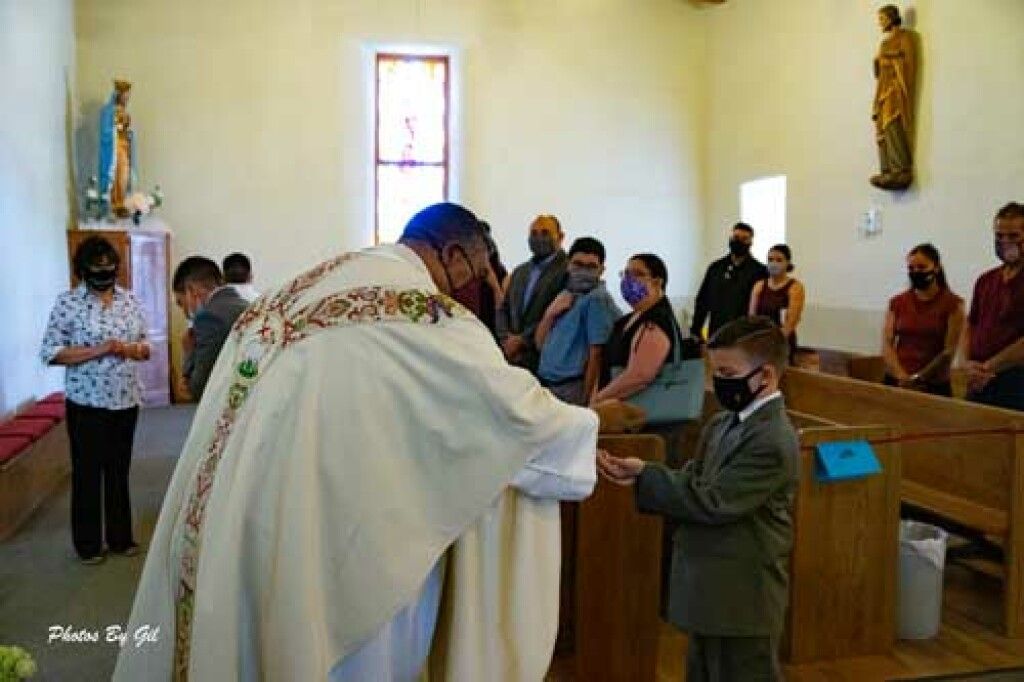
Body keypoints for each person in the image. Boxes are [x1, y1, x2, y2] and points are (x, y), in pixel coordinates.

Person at [114, 203, 600, 681]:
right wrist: (585, 427)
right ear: (453, 255)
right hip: (329, 536)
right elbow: (512, 416)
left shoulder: (291, 293)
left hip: (234, 517)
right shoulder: (425, 315)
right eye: (476, 272)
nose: (476, 287)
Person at [597, 316, 799, 682]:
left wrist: (647, 474)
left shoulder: (771, 439)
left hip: (742, 592)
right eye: (714, 372)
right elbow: (694, 476)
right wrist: (641, 472)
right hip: (710, 584)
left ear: (766, 376)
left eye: (726, 372)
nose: (718, 382)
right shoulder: (725, 422)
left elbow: (714, 501)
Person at [40, 236, 151, 564]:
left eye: (110, 266)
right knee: (88, 473)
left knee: (119, 470)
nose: (105, 272)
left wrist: (135, 349)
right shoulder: (67, 304)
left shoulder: (130, 301)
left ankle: (120, 538)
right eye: (97, 267)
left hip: (125, 399)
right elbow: (51, 353)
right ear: (83, 270)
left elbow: (145, 345)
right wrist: (100, 349)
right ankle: (88, 545)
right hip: (86, 402)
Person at [536, 237, 621, 406]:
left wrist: (586, 400)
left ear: (601, 270)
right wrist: (549, 315)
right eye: (578, 264)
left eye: (591, 267)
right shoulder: (567, 293)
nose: (583, 271)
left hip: (573, 387)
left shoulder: (597, 299)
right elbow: (540, 344)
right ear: (568, 264)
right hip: (548, 384)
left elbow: (596, 355)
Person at [962, 202, 1024, 411]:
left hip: (1016, 384)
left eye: (1013, 236)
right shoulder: (986, 280)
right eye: (999, 236)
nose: (1005, 242)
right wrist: (967, 363)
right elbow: (971, 325)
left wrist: (989, 368)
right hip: (979, 382)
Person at [882, 244, 964, 397]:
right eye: (911, 268)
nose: (916, 272)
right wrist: (901, 376)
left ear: (936, 268)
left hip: (933, 384)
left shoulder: (953, 304)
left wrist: (918, 378)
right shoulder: (897, 302)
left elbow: (948, 351)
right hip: (897, 380)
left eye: (921, 267)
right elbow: (887, 343)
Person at [497, 214, 569, 373]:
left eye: (545, 233)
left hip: (544, 359)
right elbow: (504, 308)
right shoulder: (520, 271)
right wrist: (505, 340)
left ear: (560, 237)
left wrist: (522, 340)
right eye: (534, 233)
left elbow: (562, 314)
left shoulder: (567, 271)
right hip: (511, 358)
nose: (538, 238)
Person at [172, 257, 249, 400]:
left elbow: (198, 387)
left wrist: (188, 352)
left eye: (181, 303)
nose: (184, 311)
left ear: (191, 290)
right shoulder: (247, 305)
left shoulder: (208, 317)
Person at [691, 222, 768, 341]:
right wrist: (696, 329)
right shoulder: (715, 268)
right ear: (730, 239)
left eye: (744, 239)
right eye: (736, 237)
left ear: (751, 243)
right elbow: (703, 300)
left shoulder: (760, 271)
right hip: (717, 332)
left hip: (745, 335)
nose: (739, 242)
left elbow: (763, 307)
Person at [870, 4, 917, 191]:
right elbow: (878, 71)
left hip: (895, 90)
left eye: (882, 19)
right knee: (882, 126)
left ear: (891, 18)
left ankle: (900, 168)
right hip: (882, 89)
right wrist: (878, 61)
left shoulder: (905, 38)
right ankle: (886, 169)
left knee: (893, 124)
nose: (880, 23)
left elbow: (909, 65)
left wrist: (890, 59)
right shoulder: (884, 43)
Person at [749, 244, 805, 362]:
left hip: (783, 343)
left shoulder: (795, 287)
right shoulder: (759, 285)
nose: (774, 263)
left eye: (779, 260)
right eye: (770, 260)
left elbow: (791, 322)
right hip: (760, 342)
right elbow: (752, 318)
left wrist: (773, 344)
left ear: (788, 263)